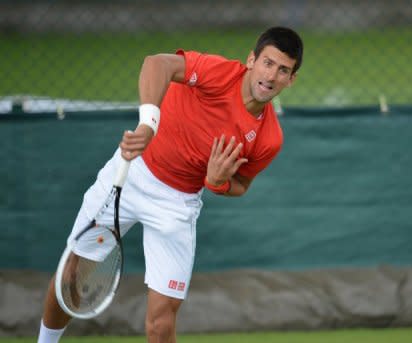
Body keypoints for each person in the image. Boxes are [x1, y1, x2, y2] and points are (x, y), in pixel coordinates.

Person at [37, 26, 303, 343]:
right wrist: (149, 124)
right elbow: (156, 64)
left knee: (161, 323)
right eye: (268, 63)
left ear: (291, 79)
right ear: (251, 60)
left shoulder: (269, 138)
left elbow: (241, 184)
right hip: (132, 173)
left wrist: (216, 183)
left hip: (177, 206)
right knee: (70, 277)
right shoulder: (219, 73)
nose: (271, 76)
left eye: (283, 70)